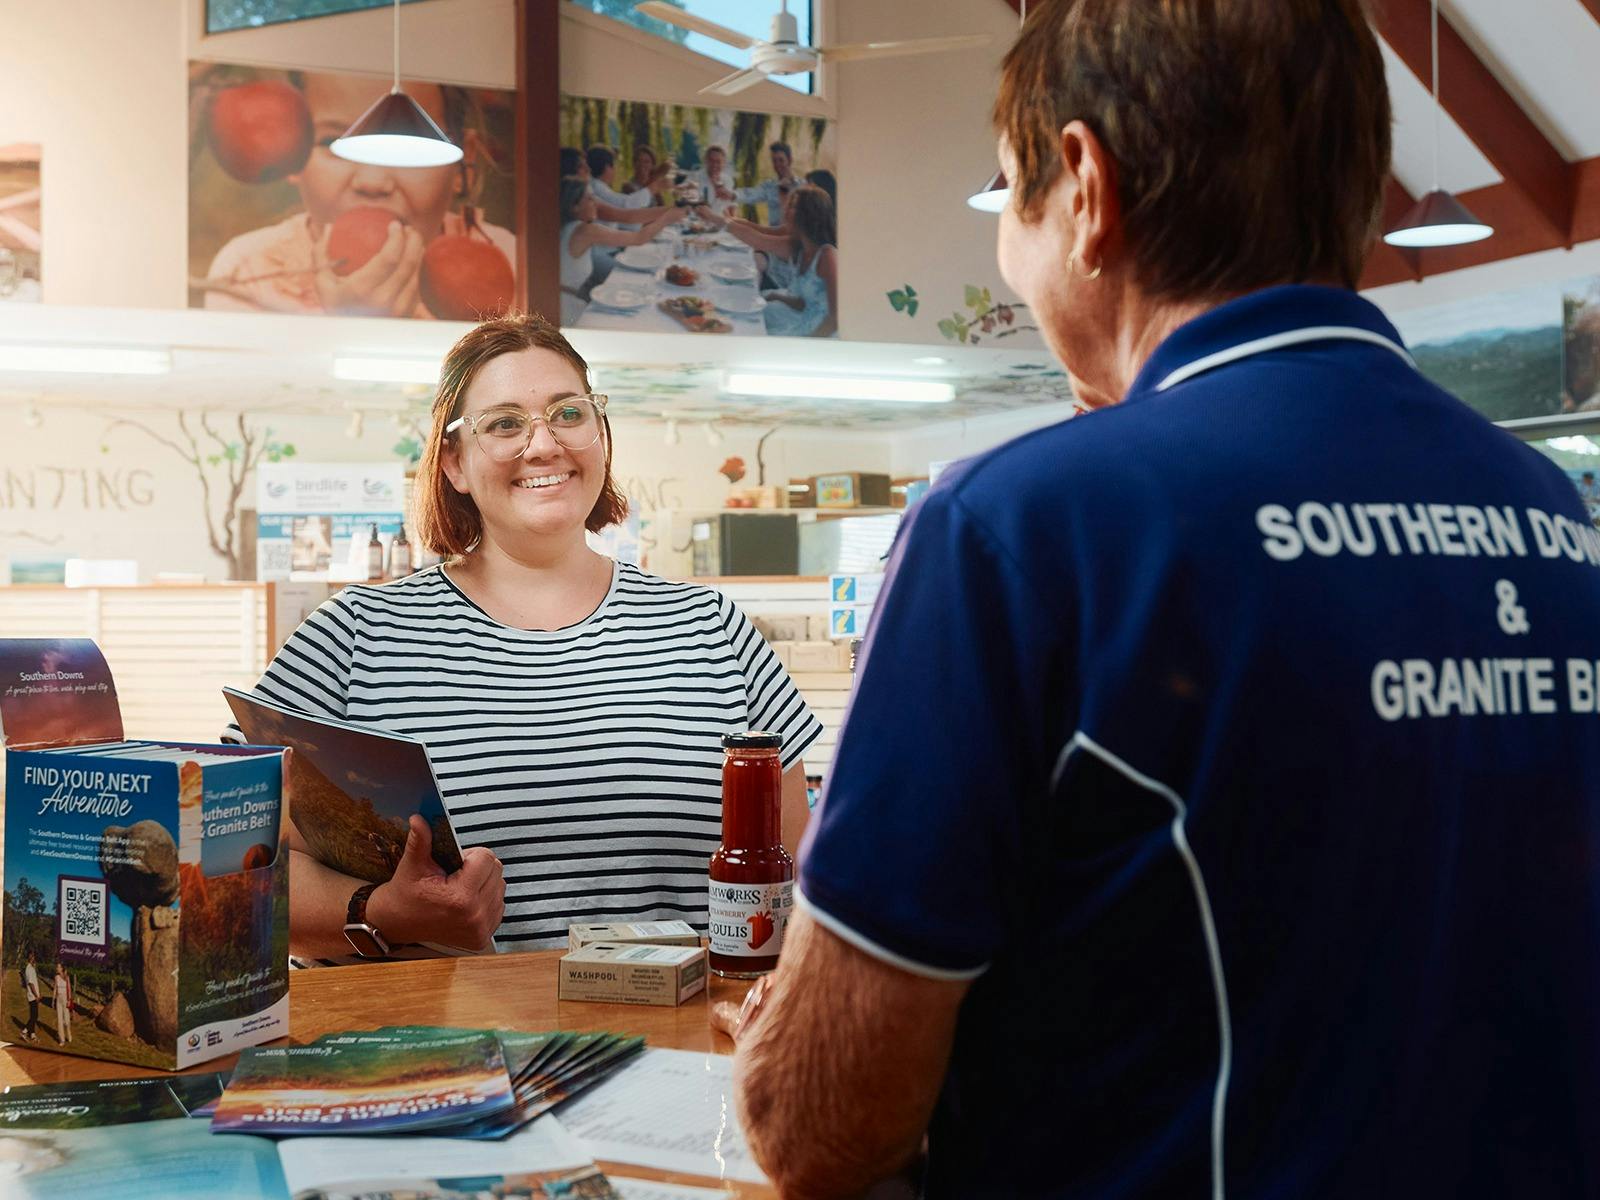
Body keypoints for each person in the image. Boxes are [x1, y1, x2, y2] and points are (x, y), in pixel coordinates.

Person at [719, 2, 1600, 1197]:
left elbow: (822, 1128)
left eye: (1008, 197)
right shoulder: (1550, 511)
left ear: (1084, 187)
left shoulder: (1022, 527)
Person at [242, 312, 820, 963]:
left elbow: (805, 881)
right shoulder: (352, 639)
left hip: (685, 1051)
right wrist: (381, 913)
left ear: (600, 435)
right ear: (455, 462)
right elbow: (224, 858)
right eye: (505, 424)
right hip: (445, 1058)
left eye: (568, 413)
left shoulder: (712, 628)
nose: (543, 445)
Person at [203, 73, 514, 318]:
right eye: (331, 142)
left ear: (465, 165)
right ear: (294, 157)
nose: (372, 181)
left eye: (408, 144)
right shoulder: (250, 270)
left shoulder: (513, 268)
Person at [699, 186, 837, 338]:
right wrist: (779, 297)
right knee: (741, 312)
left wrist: (807, 345)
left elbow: (836, 318)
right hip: (800, 316)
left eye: (793, 206)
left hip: (818, 333)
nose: (785, 210)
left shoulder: (827, 256)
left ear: (810, 214)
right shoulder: (797, 245)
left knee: (748, 326)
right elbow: (756, 237)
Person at [558, 177, 683, 325]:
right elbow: (638, 239)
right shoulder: (585, 230)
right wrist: (667, 219)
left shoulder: (567, 227)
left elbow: (632, 216)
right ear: (575, 207)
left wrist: (671, 210)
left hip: (564, 300)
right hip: (566, 310)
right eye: (590, 199)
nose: (596, 204)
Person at [734, 141, 800, 225]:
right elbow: (752, 193)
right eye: (774, 161)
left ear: (790, 160)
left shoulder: (802, 187)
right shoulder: (770, 186)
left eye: (781, 160)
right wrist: (732, 194)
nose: (777, 164)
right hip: (772, 233)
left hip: (793, 235)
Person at [20, 952, 39, 1043]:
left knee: (33, 1015)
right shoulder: (29, 969)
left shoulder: (31, 968)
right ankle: (24, 1032)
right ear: (31, 958)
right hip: (32, 996)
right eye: (33, 956)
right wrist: (36, 995)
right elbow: (31, 984)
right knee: (34, 1016)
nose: (34, 958)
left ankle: (32, 1034)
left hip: (33, 996)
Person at [51, 962, 70, 1044]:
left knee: (66, 1020)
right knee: (59, 1020)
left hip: (65, 999)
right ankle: (62, 1039)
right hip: (58, 999)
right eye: (57, 967)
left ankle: (68, 1033)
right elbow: (55, 989)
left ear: (62, 968)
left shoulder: (66, 977)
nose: (57, 968)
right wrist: (53, 1000)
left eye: (58, 967)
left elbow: (69, 989)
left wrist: (69, 1000)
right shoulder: (56, 977)